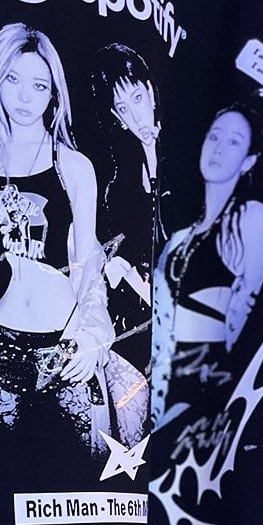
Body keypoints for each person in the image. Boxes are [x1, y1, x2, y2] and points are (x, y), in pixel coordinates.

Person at [0, 22, 146, 453]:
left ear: (53, 94)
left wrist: (93, 334)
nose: (25, 97)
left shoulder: (74, 167)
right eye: (12, 79)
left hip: (62, 349)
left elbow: (89, 262)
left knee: (74, 472)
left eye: (39, 85)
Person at [151, 100, 263, 424]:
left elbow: (249, 302)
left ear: (248, 161)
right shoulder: (179, 238)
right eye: (215, 136)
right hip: (160, 376)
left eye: (234, 142)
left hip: (205, 378)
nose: (218, 148)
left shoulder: (250, 218)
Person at [90, 43, 163, 349]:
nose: (136, 116)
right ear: (116, 115)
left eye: (138, 98)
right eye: (123, 108)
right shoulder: (121, 187)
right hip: (142, 318)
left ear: (151, 92)